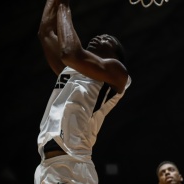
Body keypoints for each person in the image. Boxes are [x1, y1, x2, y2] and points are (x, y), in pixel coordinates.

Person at [34, 0, 131, 183]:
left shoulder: (117, 74)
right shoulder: (70, 71)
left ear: (116, 55)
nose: (99, 36)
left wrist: (64, 4)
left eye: (107, 39)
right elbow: (45, 32)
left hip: (74, 166)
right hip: (46, 167)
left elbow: (70, 52)